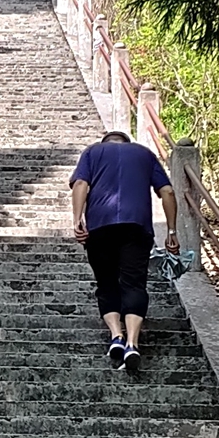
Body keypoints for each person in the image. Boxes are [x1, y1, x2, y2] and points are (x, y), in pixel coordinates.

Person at [70, 127, 175, 370]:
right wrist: (171, 231)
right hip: (136, 227)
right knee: (134, 283)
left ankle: (116, 336)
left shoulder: (93, 152)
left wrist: (77, 221)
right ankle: (132, 343)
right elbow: (167, 191)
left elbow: (81, 183)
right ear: (126, 142)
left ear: (105, 141)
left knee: (106, 283)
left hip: (100, 226)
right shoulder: (144, 153)